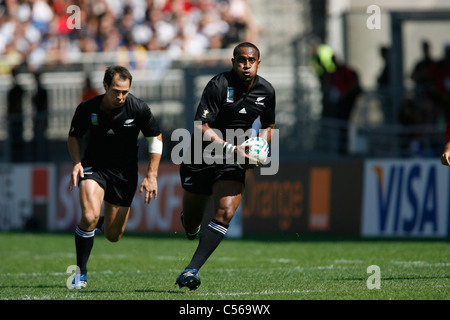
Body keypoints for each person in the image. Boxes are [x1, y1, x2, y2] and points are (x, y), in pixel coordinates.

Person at [175, 42, 276, 290]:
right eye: (241, 60)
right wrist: (232, 148)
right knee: (191, 225)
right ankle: (190, 223)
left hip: (234, 161)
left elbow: (268, 125)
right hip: (201, 157)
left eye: (251, 60)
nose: (246, 65)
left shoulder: (267, 91)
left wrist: (261, 147)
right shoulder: (218, 85)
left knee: (226, 213)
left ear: (258, 63)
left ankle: (191, 270)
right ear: (232, 62)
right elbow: (200, 126)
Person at [67, 65, 163, 289]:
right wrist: (76, 163)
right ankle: (80, 274)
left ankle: (99, 224)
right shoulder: (87, 108)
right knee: (89, 216)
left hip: (125, 174)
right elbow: (74, 136)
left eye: (125, 92)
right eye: (116, 91)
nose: (121, 96)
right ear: (105, 86)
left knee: (113, 235)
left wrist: (151, 175)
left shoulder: (138, 108)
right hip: (94, 168)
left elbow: (155, 138)